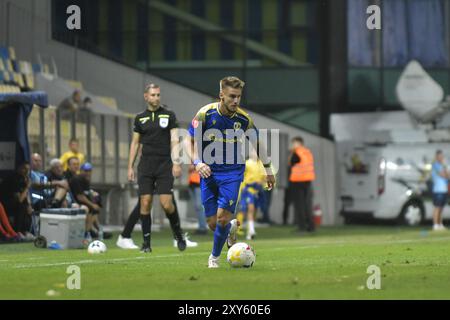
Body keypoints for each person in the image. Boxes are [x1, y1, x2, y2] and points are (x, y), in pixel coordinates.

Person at [185, 76, 275, 268]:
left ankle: (214, 258)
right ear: (221, 95)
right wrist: (198, 162)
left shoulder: (244, 120)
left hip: (232, 174)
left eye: (239, 97)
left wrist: (268, 169)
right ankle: (231, 228)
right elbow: (188, 141)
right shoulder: (205, 114)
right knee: (212, 223)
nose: (236, 101)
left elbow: (258, 143)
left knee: (221, 217)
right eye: (232, 96)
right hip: (208, 172)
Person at [127, 83, 195, 253]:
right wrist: (130, 167)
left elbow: (174, 140)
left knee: (166, 204)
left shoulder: (169, 115)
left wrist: (177, 163)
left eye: (158, 95)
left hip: (165, 165)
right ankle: (146, 244)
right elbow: (135, 143)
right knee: (145, 202)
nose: (156, 98)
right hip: (146, 166)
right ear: (146, 97)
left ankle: (178, 234)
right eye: (153, 95)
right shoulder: (139, 118)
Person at [236, 148, 267, 240]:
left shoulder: (261, 164)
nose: (255, 154)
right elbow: (240, 175)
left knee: (254, 211)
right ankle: (240, 228)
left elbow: (264, 177)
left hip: (257, 191)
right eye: (253, 152)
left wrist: (262, 182)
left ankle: (250, 231)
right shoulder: (247, 164)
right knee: (248, 209)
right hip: (247, 189)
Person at [69, 162, 102, 242]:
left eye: (89, 171)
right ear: (81, 171)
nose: (88, 173)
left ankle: (94, 230)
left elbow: (86, 194)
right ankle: (87, 233)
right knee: (89, 208)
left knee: (96, 207)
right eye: (86, 171)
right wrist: (92, 205)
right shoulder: (77, 179)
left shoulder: (86, 180)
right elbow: (80, 197)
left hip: (82, 203)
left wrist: (94, 200)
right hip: (74, 202)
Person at [0, 162, 34, 240]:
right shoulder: (14, 178)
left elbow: (24, 197)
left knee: (27, 206)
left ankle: (22, 232)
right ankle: (17, 232)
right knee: (21, 206)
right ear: (19, 168)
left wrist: (29, 205)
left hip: (11, 203)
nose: (26, 171)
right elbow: (20, 199)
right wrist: (27, 187)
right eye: (24, 169)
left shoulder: (23, 178)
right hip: (6, 203)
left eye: (28, 169)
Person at [288, 136, 316, 233]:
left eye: (293, 143)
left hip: (298, 181)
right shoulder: (307, 152)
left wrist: (292, 152)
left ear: (298, 143)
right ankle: (311, 226)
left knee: (299, 205)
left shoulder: (297, 152)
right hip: (307, 181)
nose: (292, 145)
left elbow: (291, 163)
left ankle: (302, 227)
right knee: (307, 204)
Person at [431, 150, 449, 231]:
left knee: (441, 208)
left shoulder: (443, 165)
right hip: (438, 190)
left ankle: (440, 224)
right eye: (440, 156)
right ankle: (435, 225)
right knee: (437, 207)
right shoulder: (435, 165)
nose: (441, 158)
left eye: (442, 156)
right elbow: (443, 175)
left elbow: (448, 176)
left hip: (444, 190)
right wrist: (445, 170)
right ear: (437, 157)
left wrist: (445, 168)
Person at [188, 165, 208, 235]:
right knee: (197, 207)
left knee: (199, 206)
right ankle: (201, 227)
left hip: (200, 183)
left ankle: (203, 228)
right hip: (192, 183)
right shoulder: (192, 156)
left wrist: (194, 166)